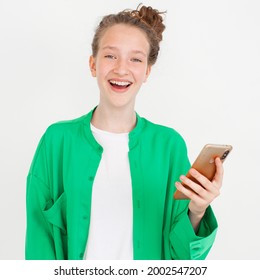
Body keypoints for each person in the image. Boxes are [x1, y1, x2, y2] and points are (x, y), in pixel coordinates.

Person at [25, 4, 223, 260]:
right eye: (110, 56)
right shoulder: (57, 141)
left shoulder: (169, 146)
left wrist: (197, 210)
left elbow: (181, 258)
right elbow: (40, 242)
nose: (121, 69)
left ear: (146, 72)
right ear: (93, 64)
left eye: (136, 59)